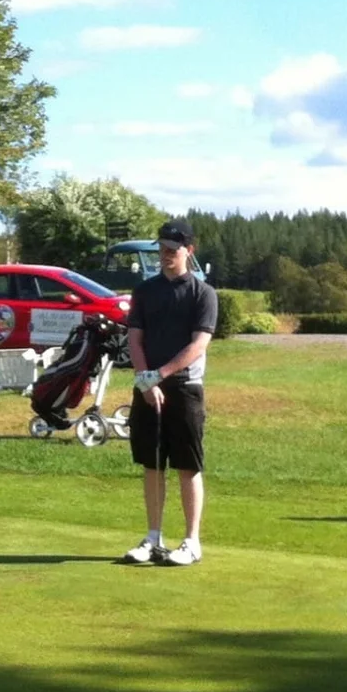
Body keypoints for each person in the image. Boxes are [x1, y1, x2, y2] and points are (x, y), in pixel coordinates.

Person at [123, 219, 218, 567]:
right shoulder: (145, 291)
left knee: (186, 466)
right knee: (153, 465)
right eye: (160, 249)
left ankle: (191, 541)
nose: (164, 255)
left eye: (172, 250)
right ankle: (153, 538)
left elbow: (199, 344)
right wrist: (146, 381)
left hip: (185, 388)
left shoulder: (203, 294)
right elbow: (135, 338)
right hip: (148, 387)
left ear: (188, 251)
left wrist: (159, 375)